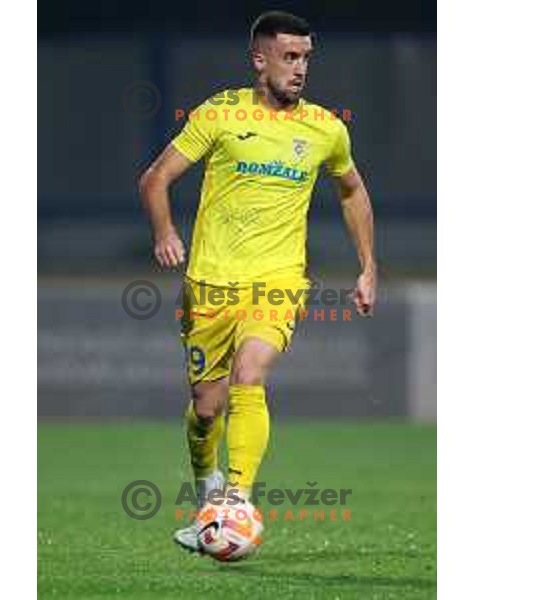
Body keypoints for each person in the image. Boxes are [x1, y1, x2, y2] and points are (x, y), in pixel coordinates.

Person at [139, 10, 377, 552]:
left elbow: (352, 190)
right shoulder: (220, 114)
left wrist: (367, 265)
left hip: (278, 280)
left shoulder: (324, 128)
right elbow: (155, 178)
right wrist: (164, 232)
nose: (300, 69)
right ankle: (209, 493)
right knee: (205, 407)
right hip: (210, 283)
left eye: (306, 59)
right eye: (290, 57)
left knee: (251, 371)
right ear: (259, 59)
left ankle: (238, 498)